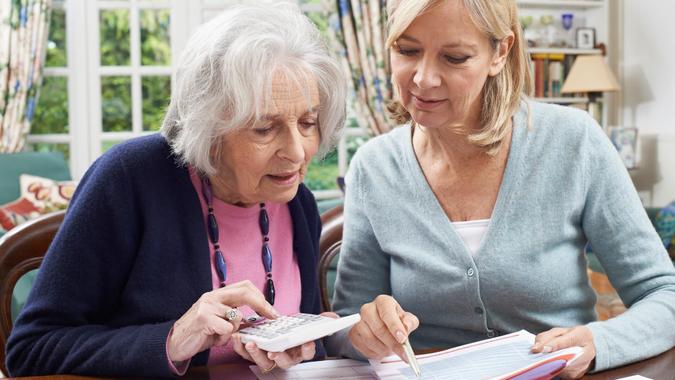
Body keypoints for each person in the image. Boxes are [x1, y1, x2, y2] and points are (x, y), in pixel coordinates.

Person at [326, 0, 675, 378]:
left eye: (455, 57)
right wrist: (364, 332)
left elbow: (664, 296)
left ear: (500, 52)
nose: (424, 78)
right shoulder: (373, 167)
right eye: (407, 50)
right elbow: (346, 325)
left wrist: (598, 342)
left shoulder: (574, 141)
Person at [6, 2, 345, 377]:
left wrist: (301, 345)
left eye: (308, 122)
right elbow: (30, 350)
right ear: (209, 129)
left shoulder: (297, 202)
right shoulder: (129, 179)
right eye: (265, 129)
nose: (297, 151)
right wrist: (174, 339)